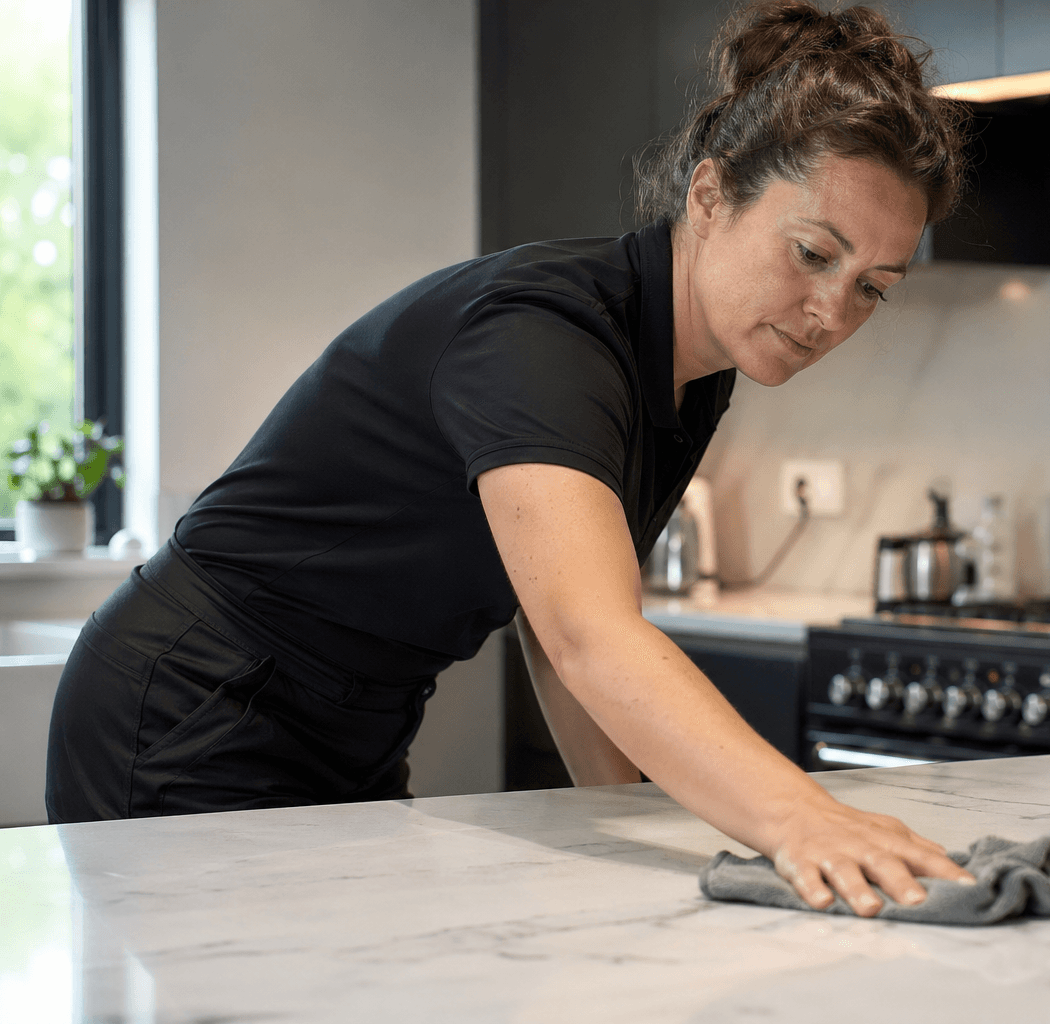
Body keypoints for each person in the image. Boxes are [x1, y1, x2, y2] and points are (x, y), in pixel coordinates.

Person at [46, 0, 975, 916]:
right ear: (708, 194)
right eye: (813, 252)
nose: (830, 312)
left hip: (352, 723)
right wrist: (803, 816)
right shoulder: (548, 335)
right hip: (192, 704)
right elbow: (590, 640)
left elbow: (556, 616)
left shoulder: (693, 373)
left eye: (872, 288)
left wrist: (624, 821)